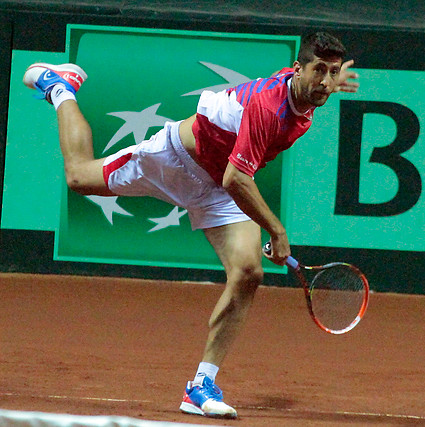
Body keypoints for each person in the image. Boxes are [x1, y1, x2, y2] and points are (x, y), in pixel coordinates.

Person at [23, 31, 358, 419]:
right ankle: (60, 87)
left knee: (248, 272)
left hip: (219, 187)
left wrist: (329, 80)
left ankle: (200, 386)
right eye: (318, 70)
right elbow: (238, 178)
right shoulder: (269, 106)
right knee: (79, 178)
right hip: (175, 161)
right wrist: (276, 230)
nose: (324, 81)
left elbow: (232, 178)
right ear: (298, 69)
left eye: (331, 73)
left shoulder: (308, 97)